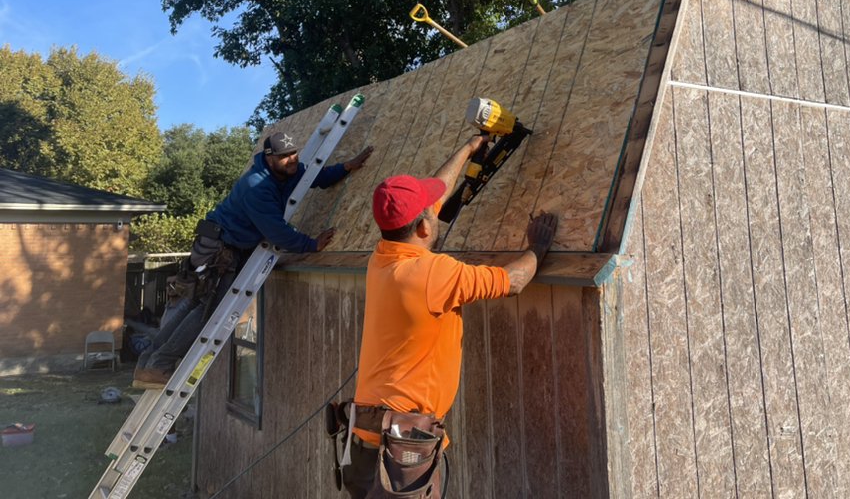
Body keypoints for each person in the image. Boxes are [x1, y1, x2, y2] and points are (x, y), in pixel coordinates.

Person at [337, 135, 557, 498]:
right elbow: (513, 282)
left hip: (363, 440)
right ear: (424, 227)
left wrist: (469, 149)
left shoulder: (382, 256)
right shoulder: (434, 274)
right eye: (429, 211)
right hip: (400, 452)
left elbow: (435, 195)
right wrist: (538, 246)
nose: (434, 208)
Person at [132, 131, 374, 389]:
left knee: (194, 305)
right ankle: (159, 365)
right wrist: (310, 244)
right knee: (207, 310)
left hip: (217, 245)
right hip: (218, 251)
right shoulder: (256, 186)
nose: (291, 159)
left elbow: (314, 176)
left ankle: (149, 365)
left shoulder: (285, 173)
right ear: (269, 159)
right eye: (283, 156)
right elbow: (276, 231)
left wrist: (346, 167)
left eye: (293, 153)